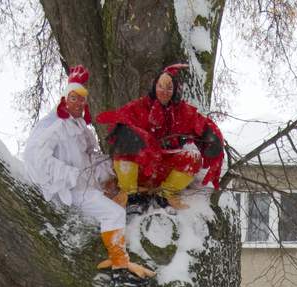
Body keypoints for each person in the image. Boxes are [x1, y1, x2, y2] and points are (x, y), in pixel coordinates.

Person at [23, 64, 151, 278]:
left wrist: (113, 166)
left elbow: (91, 159)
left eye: (82, 100)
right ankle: (119, 267)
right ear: (65, 100)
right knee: (114, 213)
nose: (79, 103)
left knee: (119, 203)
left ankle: (121, 251)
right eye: (74, 98)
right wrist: (69, 174)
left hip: (87, 187)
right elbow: (36, 158)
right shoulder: (56, 128)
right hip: (73, 191)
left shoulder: (82, 129)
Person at [96, 63, 226, 209]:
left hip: (164, 170)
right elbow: (118, 121)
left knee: (193, 157)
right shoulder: (139, 106)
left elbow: (200, 123)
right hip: (141, 169)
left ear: (174, 90)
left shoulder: (181, 111)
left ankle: (165, 193)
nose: (164, 92)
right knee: (124, 146)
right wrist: (136, 138)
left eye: (169, 88)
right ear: (154, 87)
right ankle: (130, 193)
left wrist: (212, 137)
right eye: (160, 86)